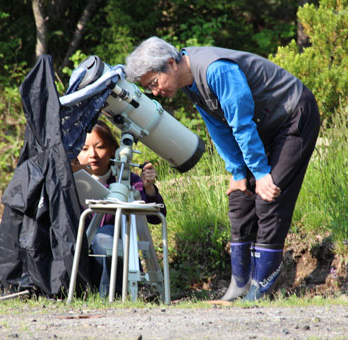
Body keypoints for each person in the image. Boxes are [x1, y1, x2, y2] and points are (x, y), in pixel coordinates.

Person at [124, 37, 320, 301]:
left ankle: (261, 287)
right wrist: (238, 172)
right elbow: (218, 127)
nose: (155, 92)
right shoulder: (189, 83)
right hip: (266, 125)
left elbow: (241, 124)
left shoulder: (217, 70)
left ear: (171, 64)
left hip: (294, 114)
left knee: (268, 195)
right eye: (148, 88)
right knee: (240, 199)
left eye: (153, 84)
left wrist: (261, 174)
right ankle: (239, 286)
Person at [73, 120, 166, 298]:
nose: (93, 155)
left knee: (107, 233)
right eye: (84, 149)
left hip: (120, 259)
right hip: (84, 261)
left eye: (99, 147)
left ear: (113, 150)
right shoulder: (74, 181)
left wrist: (148, 188)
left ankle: (110, 296)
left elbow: (156, 217)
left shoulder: (128, 180)